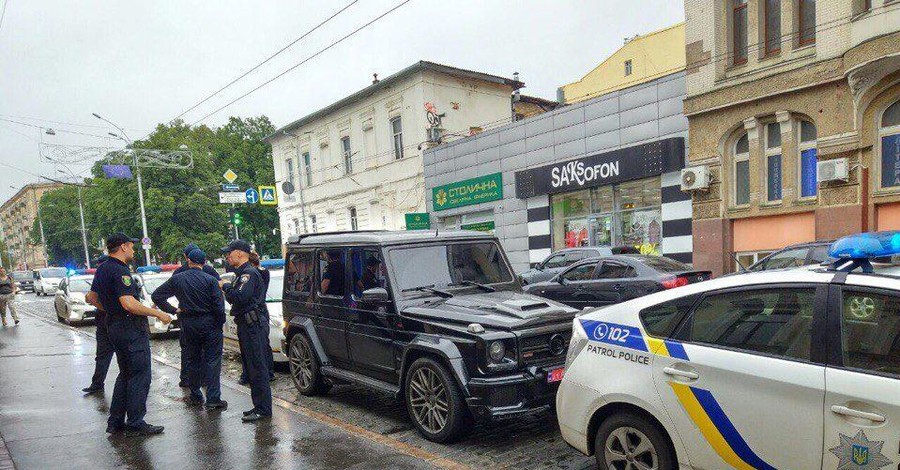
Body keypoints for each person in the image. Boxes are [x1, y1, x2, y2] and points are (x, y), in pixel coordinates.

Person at [86, 233, 172, 436]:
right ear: (123, 247)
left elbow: (91, 297)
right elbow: (128, 303)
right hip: (130, 328)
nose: (133, 250)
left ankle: (115, 422)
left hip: (113, 326)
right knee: (140, 376)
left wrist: (109, 309)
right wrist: (158, 313)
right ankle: (135, 423)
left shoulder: (103, 267)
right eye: (131, 246)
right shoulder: (120, 271)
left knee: (125, 375)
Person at [152, 249, 227, 411]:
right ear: (204, 262)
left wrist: (173, 310)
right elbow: (219, 307)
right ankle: (213, 398)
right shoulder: (210, 280)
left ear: (188, 261)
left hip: (188, 323)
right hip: (209, 323)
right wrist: (219, 323)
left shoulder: (178, 279)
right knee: (213, 361)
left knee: (192, 359)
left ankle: (195, 394)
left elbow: (157, 296)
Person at [220, 240, 271, 422]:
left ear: (240, 253)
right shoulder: (243, 273)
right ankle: (258, 406)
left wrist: (225, 287)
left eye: (229, 253)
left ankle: (263, 409)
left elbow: (239, 297)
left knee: (257, 367)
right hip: (247, 325)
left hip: (252, 326)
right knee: (251, 367)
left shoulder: (248, 273)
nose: (228, 257)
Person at [172, 243, 220, 388]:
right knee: (207, 353)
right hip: (208, 318)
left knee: (188, 351)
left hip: (186, 317)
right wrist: (219, 321)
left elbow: (164, 293)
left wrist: (175, 309)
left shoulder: (179, 273)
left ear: (187, 257)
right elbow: (219, 292)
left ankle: (188, 382)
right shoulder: (209, 272)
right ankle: (205, 381)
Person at [82, 255, 113, 395]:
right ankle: (97, 383)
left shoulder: (114, 277)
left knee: (125, 355)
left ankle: (133, 382)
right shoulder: (98, 279)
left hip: (116, 321)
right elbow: (89, 298)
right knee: (102, 355)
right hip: (103, 322)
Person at [247, 251, 274, 383]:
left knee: (258, 344)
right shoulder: (265, 272)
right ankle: (269, 371)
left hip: (257, 310)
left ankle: (263, 372)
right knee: (265, 342)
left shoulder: (254, 274)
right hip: (263, 309)